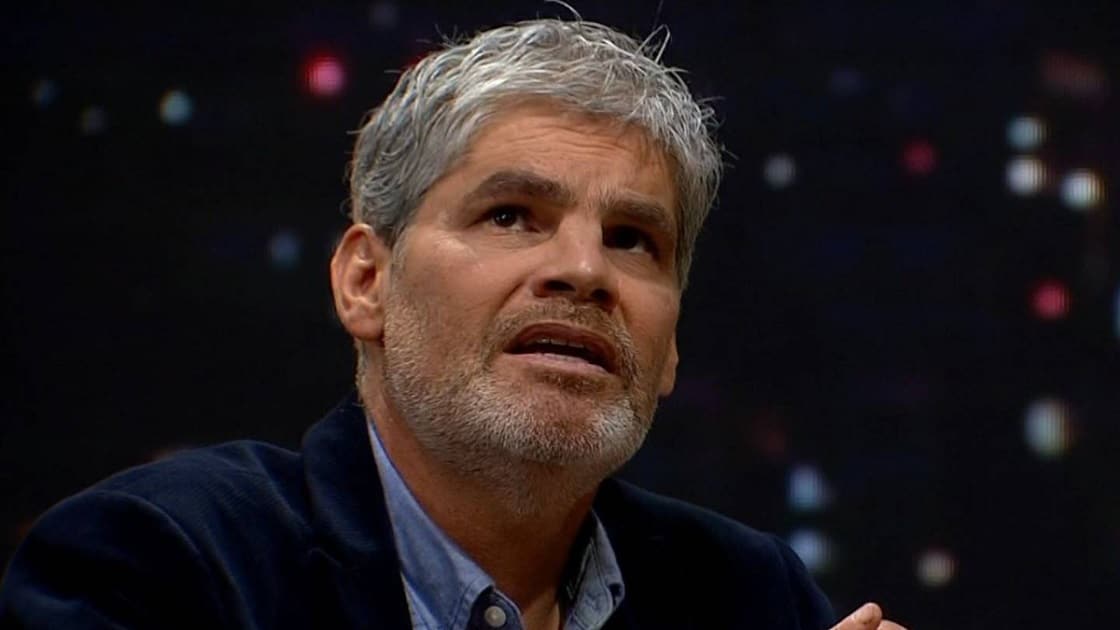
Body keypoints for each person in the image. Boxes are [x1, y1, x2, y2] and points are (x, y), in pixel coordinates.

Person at [0, 17, 905, 630]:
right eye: (510, 216)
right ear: (367, 282)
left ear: (669, 348)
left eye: (633, 240)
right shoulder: (157, 566)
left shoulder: (751, 597)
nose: (584, 271)